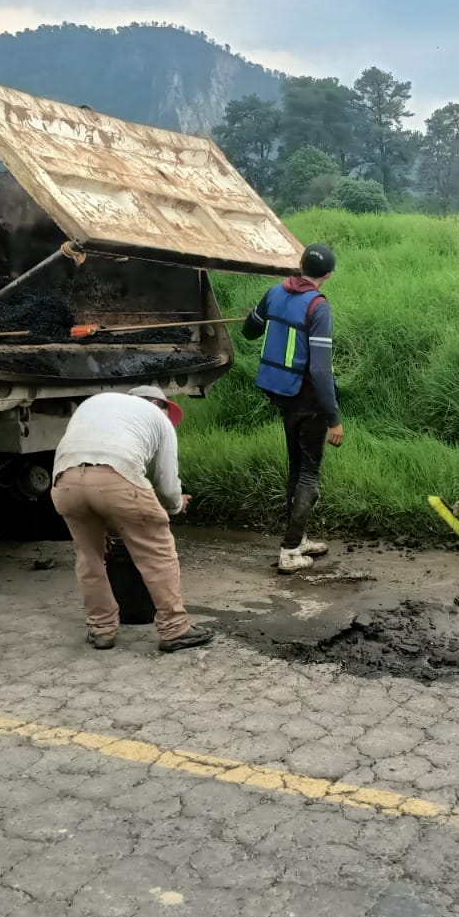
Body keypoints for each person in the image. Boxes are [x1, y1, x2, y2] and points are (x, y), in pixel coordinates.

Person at [49, 385, 212, 652]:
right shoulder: (158, 418)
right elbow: (168, 484)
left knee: (89, 555)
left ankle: (101, 630)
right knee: (157, 551)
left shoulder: (95, 403)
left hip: (65, 481)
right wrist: (174, 506)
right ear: (160, 405)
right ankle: (175, 628)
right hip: (116, 474)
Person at [243, 241, 344, 572]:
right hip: (308, 398)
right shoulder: (319, 307)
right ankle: (289, 551)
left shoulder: (275, 293)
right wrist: (334, 419)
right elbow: (319, 370)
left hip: (283, 394)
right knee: (309, 473)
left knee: (297, 466)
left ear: (300, 265)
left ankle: (297, 539)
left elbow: (249, 331)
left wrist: (255, 316)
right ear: (328, 274)